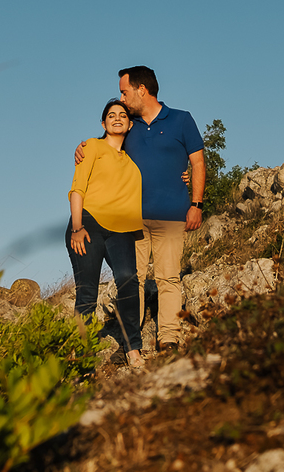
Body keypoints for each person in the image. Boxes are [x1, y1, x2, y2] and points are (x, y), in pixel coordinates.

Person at [76, 66, 204, 352]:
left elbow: (197, 163)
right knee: (131, 280)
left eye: (124, 91)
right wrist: (83, 146)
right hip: (131, 218)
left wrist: (196, 204)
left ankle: (168, 336)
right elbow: (106, 144)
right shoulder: (129, 124)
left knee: (169, 277)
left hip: (173, 214)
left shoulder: (182, 120)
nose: (122, 98)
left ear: (141, 90)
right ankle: (130, 341)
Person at [68, 99, 145, 368]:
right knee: (87, 292)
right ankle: (82, 356)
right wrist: (77, 227)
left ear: (130, 124)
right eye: (111, 115)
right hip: (88, 224)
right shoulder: (92, 147)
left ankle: (132, 347)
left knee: (128, 279)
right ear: (103, 124)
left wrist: (183, 175)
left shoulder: (134, 162)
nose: (116, 118)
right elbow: (77, 189)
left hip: (122, 229)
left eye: (122, 115)